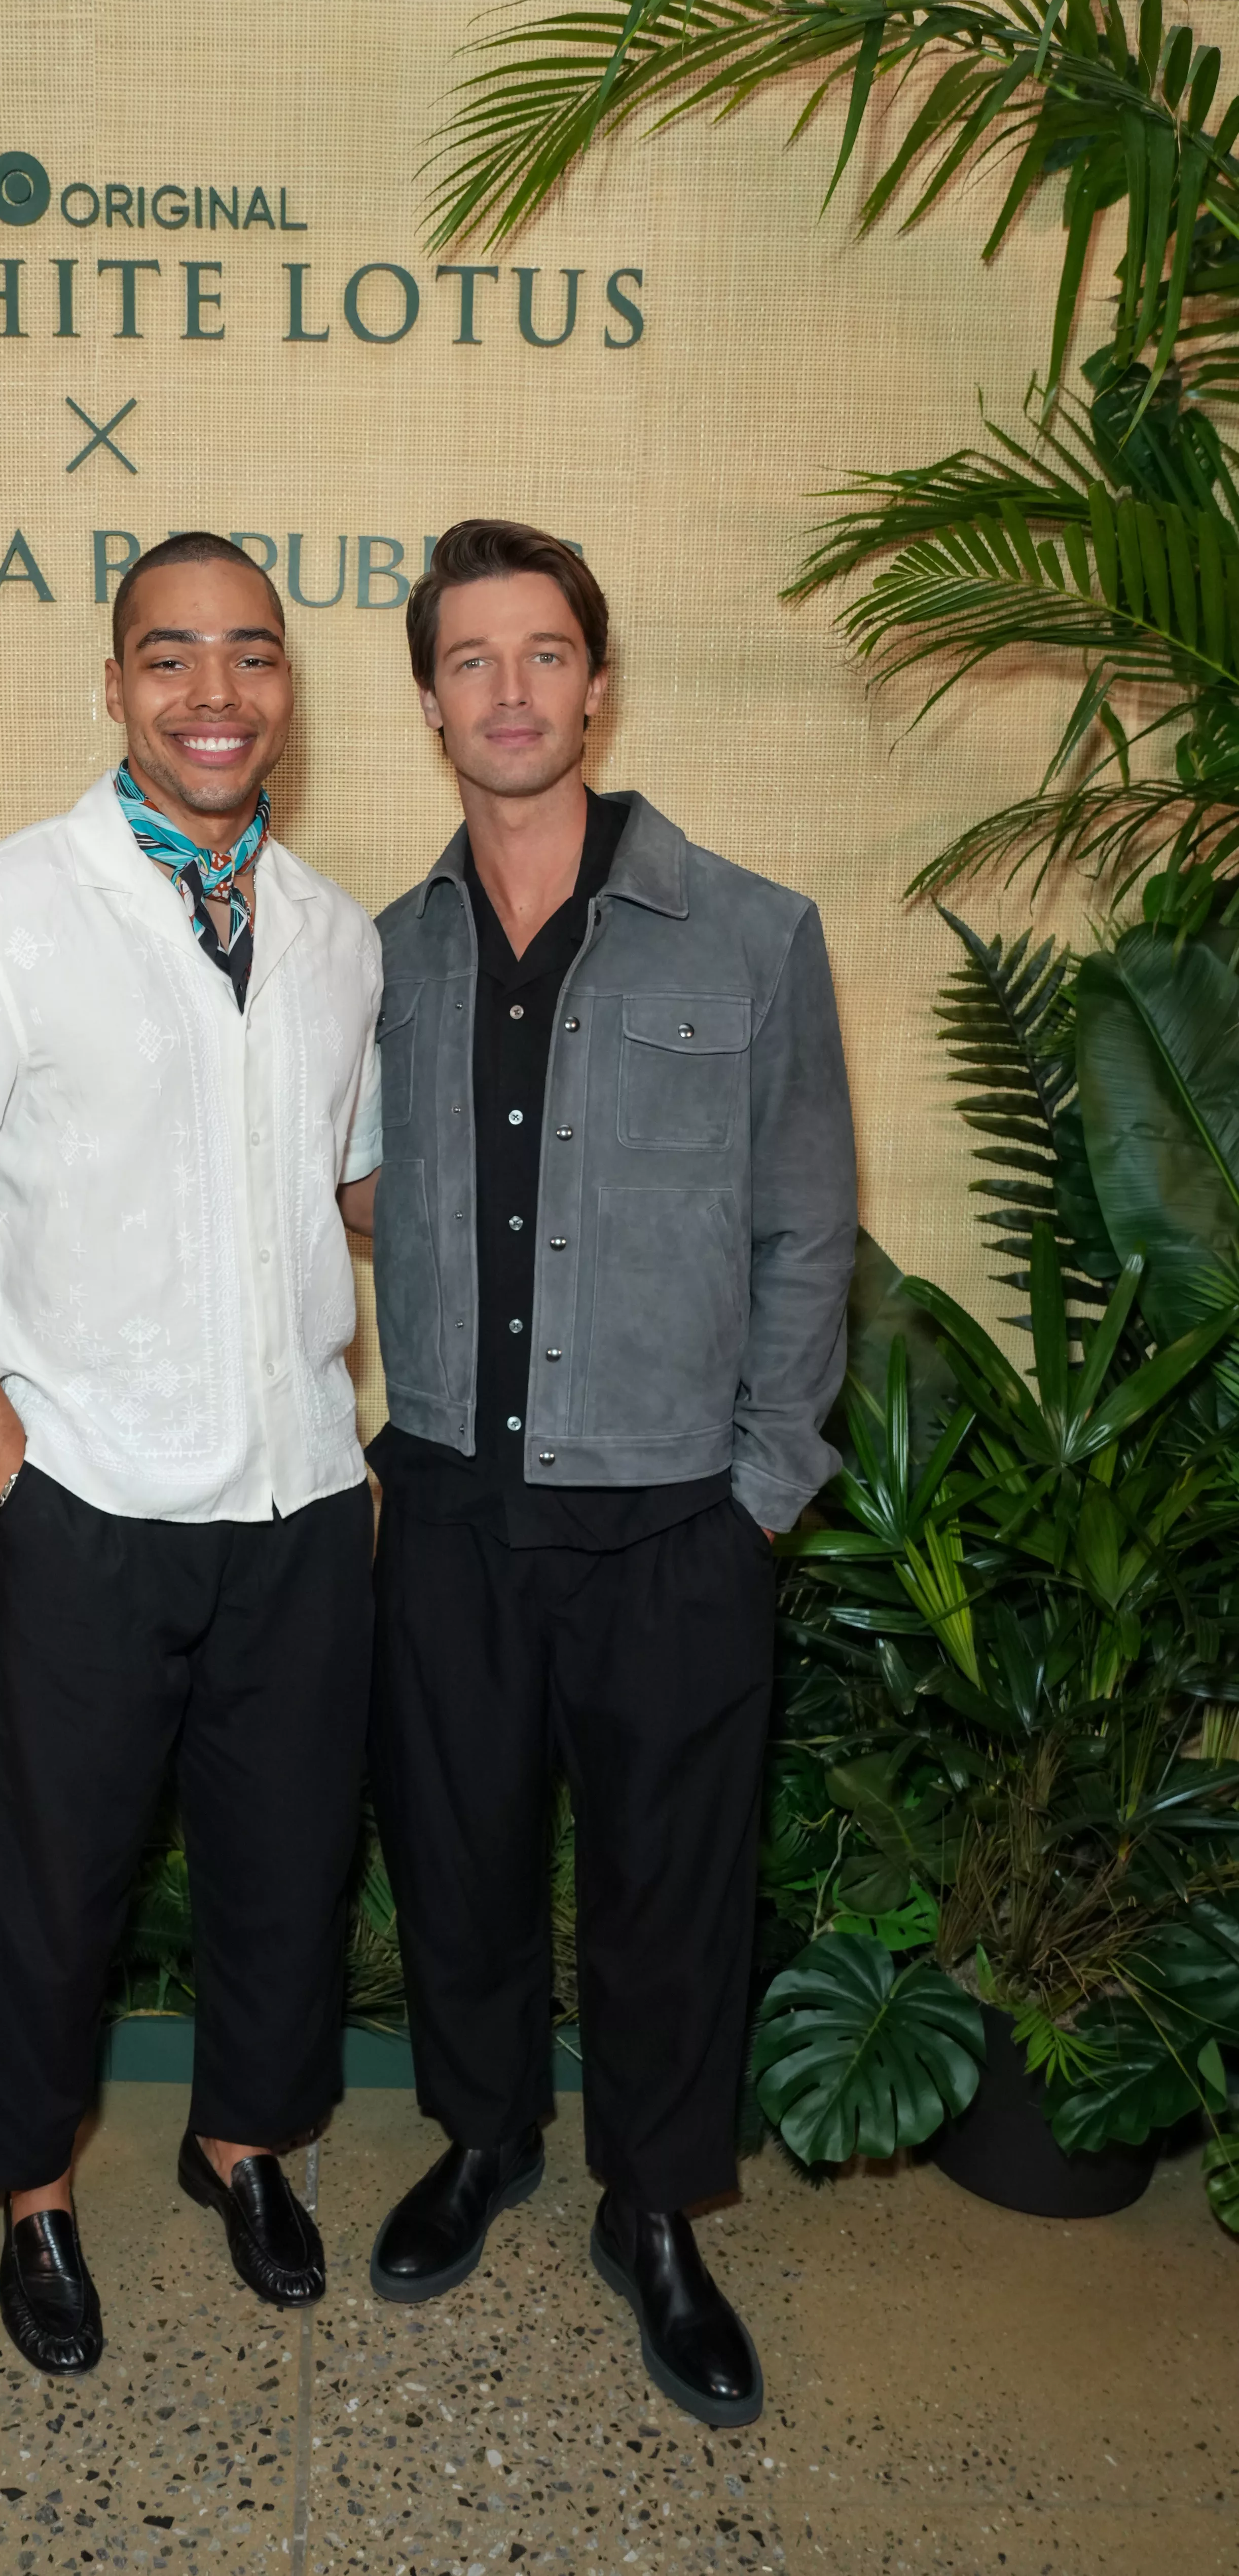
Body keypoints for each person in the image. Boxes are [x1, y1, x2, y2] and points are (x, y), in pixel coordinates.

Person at [0, 533, 382, 2376]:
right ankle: (33, 2196)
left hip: (302, 1498)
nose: (213, 695)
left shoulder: (335, 934)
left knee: (286, 1859)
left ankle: (244, 2147)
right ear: (114, 685)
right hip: (84, 1505)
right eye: (171, 658)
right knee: (46, 1877)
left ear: (288, 689)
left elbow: (352, 1189)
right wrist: (14, 1471)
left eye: (250, 656)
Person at [343, 518, 856, 2428]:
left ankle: (654, 2211)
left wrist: (756, 1496)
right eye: (469, 660)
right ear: (427, 701)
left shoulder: (748, 930)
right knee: (461, 1864)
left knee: (668, 1892)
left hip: (670, 1525)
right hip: (454, 1508)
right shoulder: (373, 955)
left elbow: (808, 1232)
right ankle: (484, 2139)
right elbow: (347, 1186)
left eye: (541, 653)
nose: (507, 691)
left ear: (595, 680)